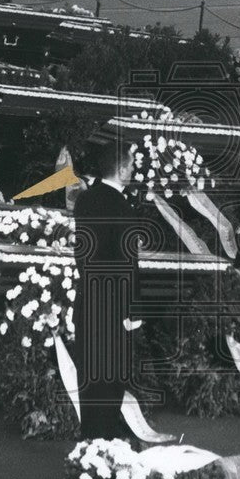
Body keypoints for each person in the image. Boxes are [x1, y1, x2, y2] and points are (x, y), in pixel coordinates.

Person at [72, 141, 143, 440]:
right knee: (112, 378)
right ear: (123, 170)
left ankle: (90, 441)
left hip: (88, 300)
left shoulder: (85, 200)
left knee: (89, 377)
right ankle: (106, 444)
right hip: (113, 307)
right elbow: (128, 264)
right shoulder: (122, 207)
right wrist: (133, 310)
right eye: (131, 165)